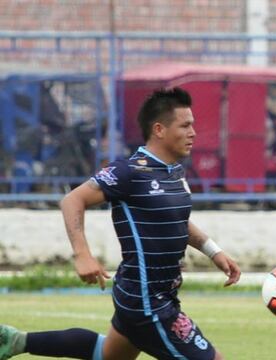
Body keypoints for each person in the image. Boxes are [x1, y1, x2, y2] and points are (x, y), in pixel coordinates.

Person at [0, 87, 241, 360]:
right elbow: (72, 201)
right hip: (147, 302)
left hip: (152, 294)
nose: (193, 132)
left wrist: (213, 251)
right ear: (159, 129)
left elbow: (175, 220)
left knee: (106, 354)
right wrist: (83, 255)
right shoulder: (128, 171)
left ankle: (16, 341)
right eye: (185, 125)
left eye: (193, 125)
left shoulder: (173, 171)